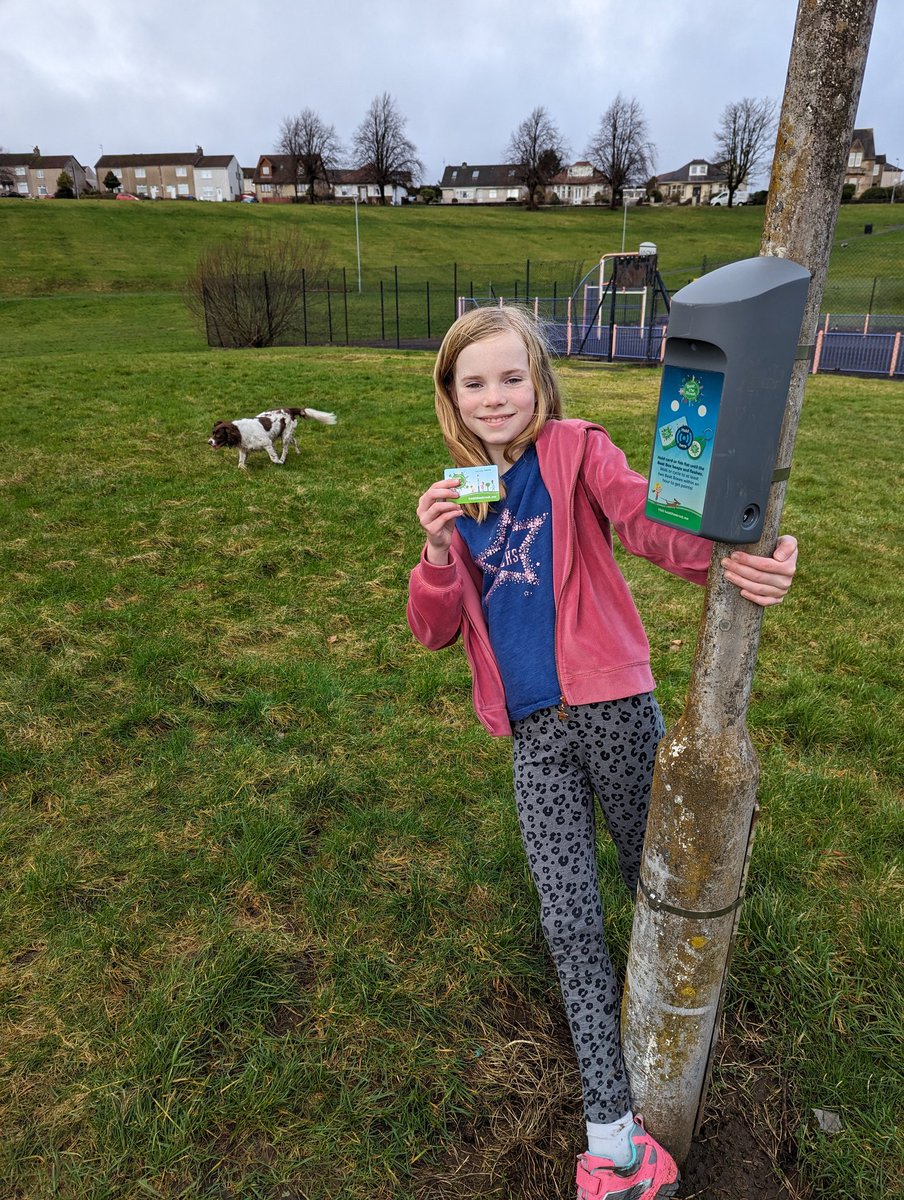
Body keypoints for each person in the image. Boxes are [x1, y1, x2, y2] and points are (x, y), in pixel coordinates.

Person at [407, 306, 798, 1200]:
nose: (496, 397)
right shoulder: (461, 492)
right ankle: (614, 1140)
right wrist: (435, 550)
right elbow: (432, 629)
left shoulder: (577, 449)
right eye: (475, 383)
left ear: (540, 383)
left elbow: (641, 518)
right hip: (534, 738)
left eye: (513, 378)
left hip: (614, 708)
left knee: (651, 884)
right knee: (567, 920)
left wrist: (732, 557)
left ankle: (687, 1030)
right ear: (451, 397)